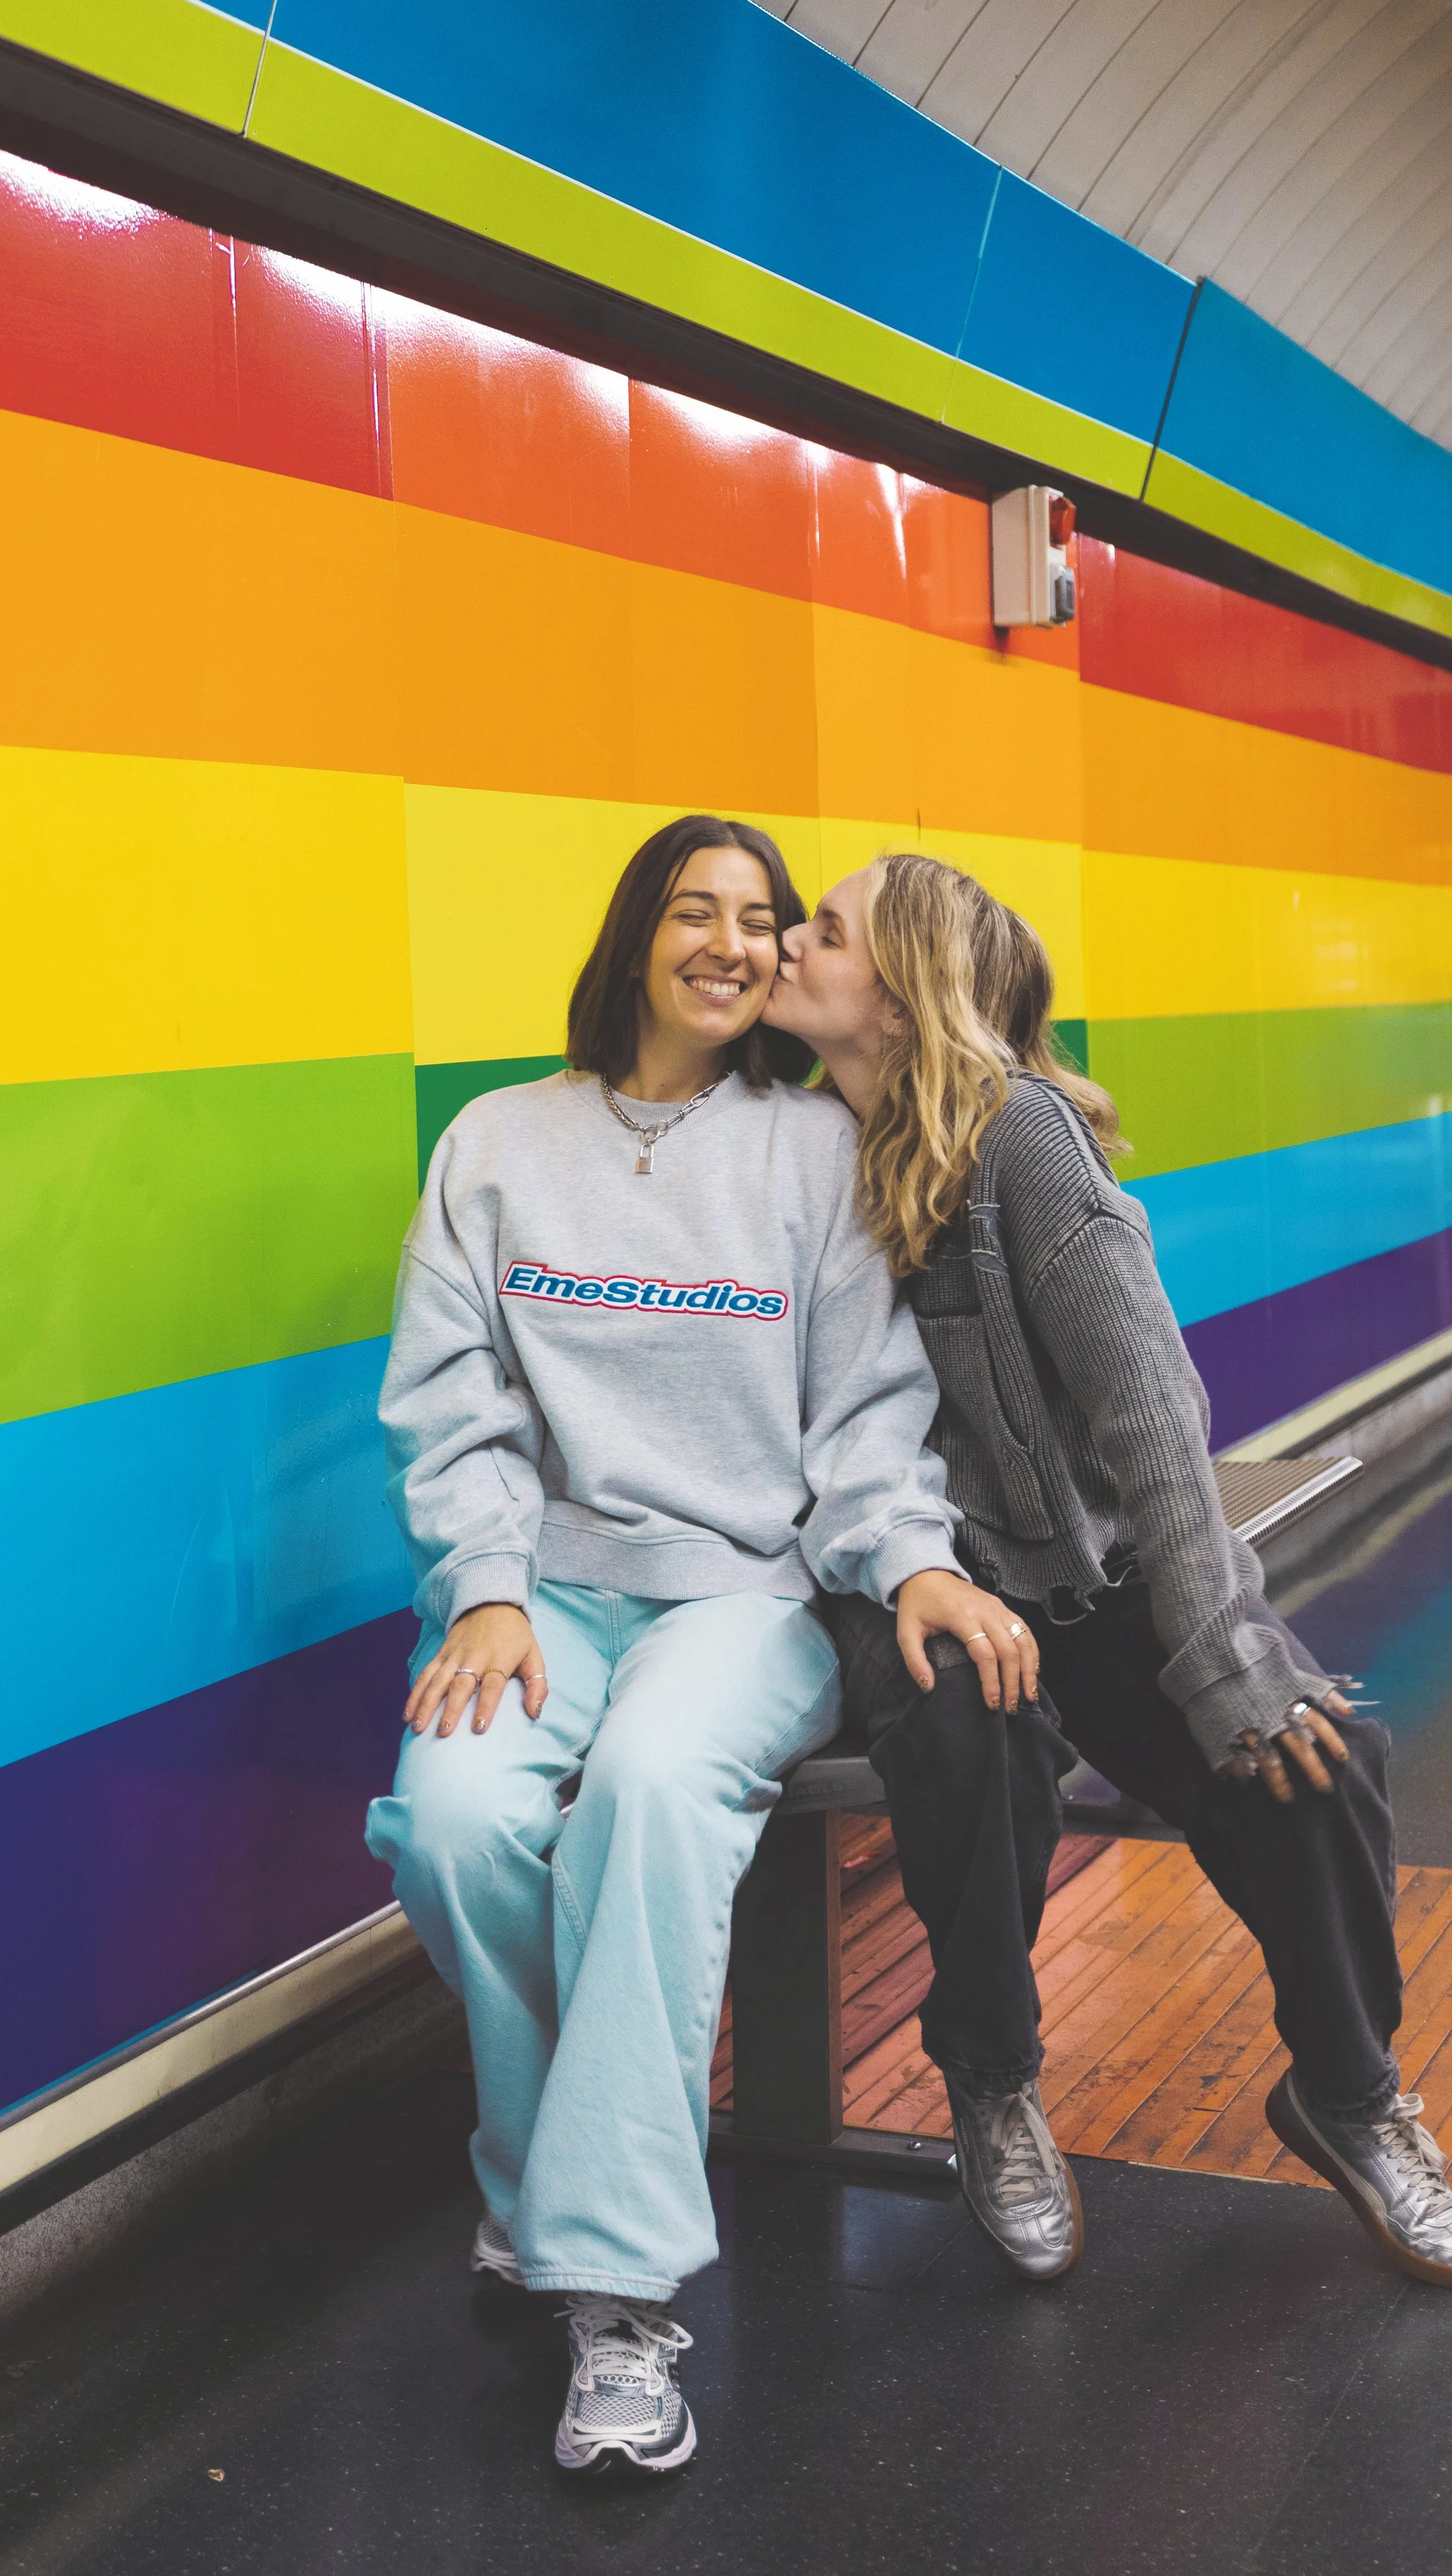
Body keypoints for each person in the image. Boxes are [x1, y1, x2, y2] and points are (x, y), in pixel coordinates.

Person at [366, 816, 1034, 2478]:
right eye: (697, 911)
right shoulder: (500, 1143)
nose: (734, 943)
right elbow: (453, 1408)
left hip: (744, 1597)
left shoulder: (813, 1156)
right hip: (548, 1593)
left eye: (763, 918)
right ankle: (548, 2184)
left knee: (654, 1796)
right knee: (453, 1822)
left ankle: (615, 2298)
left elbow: (868, 1425)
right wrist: (488, 1588)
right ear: (635, 936)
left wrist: (907, 1567)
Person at [762, 849, 1452, 2292]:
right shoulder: (787, 1150)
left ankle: (1346, 2095)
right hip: (888, 1579)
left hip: (1066, 1569)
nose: (789, 940)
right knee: (979, 1721)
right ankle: (992, 2080)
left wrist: (1222, 1651)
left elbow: (1149, 1415)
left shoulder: (1016, 1143)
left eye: (825, 930)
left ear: (904, 1002)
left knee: (1316, 1758)